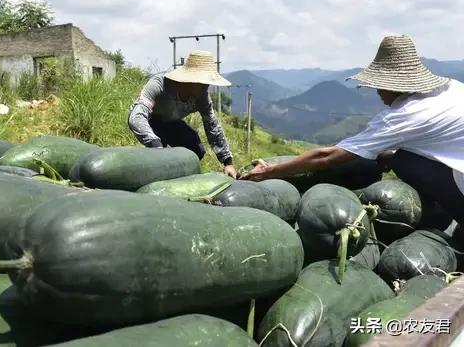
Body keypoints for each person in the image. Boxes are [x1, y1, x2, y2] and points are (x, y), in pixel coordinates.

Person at [240, 34, 464, 225]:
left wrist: (271, 172)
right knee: (397, 157)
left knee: (404, 160)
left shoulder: (404, 115)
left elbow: (326, 157)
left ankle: (438, 216)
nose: (376, 92)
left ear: (391, 84)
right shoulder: (451, 88)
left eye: (377, 85)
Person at [128, 50, 237, 178]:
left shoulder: (202, 97)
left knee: (197, 150)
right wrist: (155, 145)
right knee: (158, 158)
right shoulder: (159, 84)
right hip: (151, 123)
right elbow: (136, 117)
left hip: (172, 123)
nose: (207, 86)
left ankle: (180, 176)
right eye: (203, 82)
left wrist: (227, 162)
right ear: (191, 79)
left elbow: (212, 126)